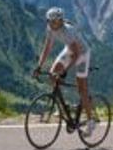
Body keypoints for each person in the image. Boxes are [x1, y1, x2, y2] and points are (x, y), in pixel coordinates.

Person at [33, 7, 96, 135]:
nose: (50, 24)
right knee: (52, 74)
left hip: (82, 53)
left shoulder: (68, 31)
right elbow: (47, 48)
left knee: (82, 89)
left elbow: (76, 54)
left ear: (60, 21)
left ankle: (90, 122)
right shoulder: (50, 28)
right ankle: (62, 107)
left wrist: (65, 70)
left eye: (53, 22)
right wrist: (39, 66)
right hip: (69, 50)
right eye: (48, 21)